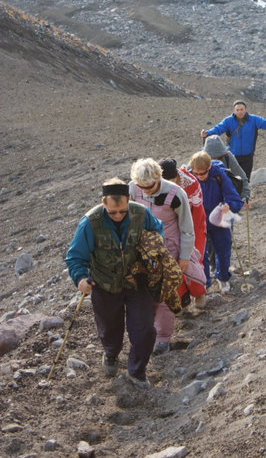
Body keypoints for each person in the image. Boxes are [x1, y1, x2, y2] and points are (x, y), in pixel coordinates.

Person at [65, 178, 164, 390]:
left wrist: (144, 269)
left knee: (145, 329)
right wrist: (81, 278)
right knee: (110, 329)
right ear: (104, 202)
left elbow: (158, 237)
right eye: (113, 212)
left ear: (128, 201)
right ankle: (111, 353)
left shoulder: (141, 214)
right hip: (105, 285)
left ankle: (137, 372)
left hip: (137, 283)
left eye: (122, 211)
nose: (118, 216)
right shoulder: (90, 222)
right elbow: (75, 256)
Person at [129, 158, 206, 355]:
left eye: (150, 186)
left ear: (158, 178)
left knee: (163, 293)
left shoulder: (175, 193)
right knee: (142, 293)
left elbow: (187, 229)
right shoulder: (132, 189)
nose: (145, 191)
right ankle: (146, 333)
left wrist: (184, 257)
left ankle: (163, 338)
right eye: (141, 187)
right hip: (142, 252)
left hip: (169, 250)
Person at [188, 151, 243, 293]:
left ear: (209, 167)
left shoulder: (219, 175)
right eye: (196, 174)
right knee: (201, 255)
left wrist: (228, 205)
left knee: (223, 252)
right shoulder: (189, 178)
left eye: (203, 173)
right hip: (200, 223)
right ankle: (204, 284)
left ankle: (223, 277)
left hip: (219, 221)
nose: (200, 176)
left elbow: (234, 198)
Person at [159, 157, 207, 309]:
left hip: (193, 224)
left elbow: (197, 212)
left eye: (172, 181)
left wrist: (188, 233)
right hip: (170, 226)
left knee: (192, 258)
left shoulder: (191, 184)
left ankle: (199, 292)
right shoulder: (156, 186)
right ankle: (182, 297)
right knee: (172, 260)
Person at [200, 100, 266, 178]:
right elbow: (218, 129)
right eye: (237, 110)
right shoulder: (228, 121)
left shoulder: (254, 119)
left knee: (246, 178)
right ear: (234, 111)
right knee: (232, 180)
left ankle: (245, 196)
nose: (240, 112)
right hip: (232, 157)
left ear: (245, 109)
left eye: (241, 109)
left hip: (247, 156)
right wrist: (207, 133)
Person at [202, 134, 251, 204]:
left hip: (226, 197)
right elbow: (187, 173)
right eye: (212, 158)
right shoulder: (200, 158)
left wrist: (245, 196)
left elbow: (242, 178)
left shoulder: (228, 157)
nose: (216, 161)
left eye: (219, 157)